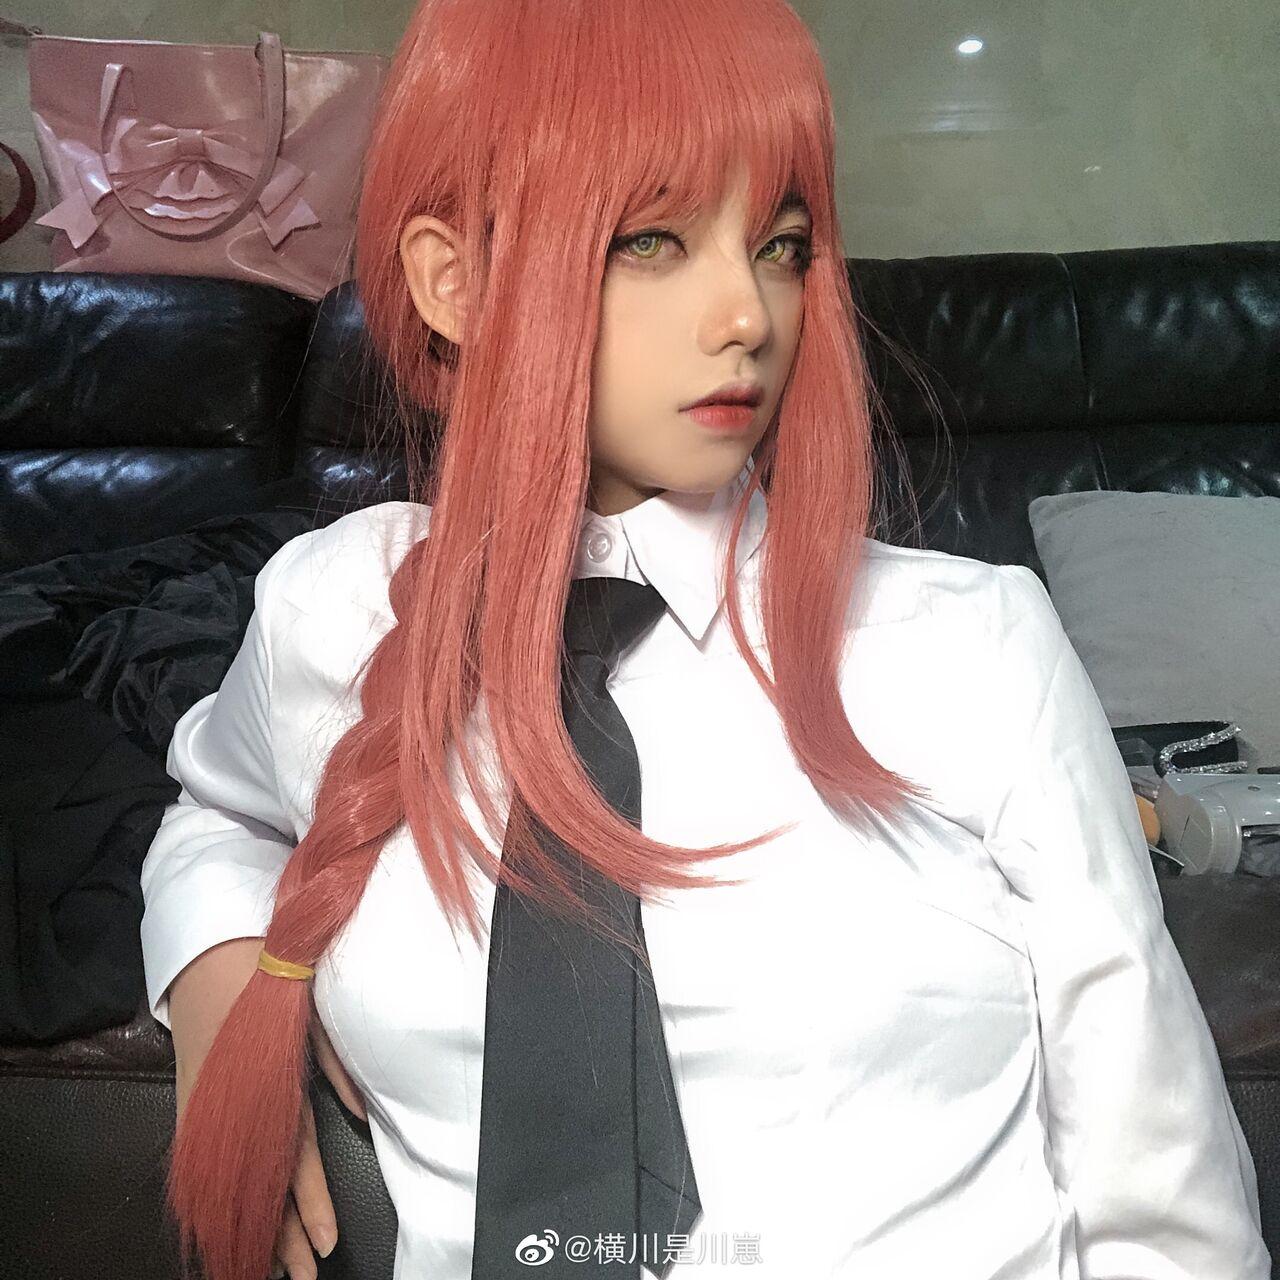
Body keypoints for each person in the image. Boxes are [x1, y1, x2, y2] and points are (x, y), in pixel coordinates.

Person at [139, 0, 1270, 1278]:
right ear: (453, 281)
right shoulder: (333, 606)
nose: (747, 313)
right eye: (651, 240)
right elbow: (218, 807)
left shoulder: (968, 649)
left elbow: (1163, 1200)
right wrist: (222, 974)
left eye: (779, 245)